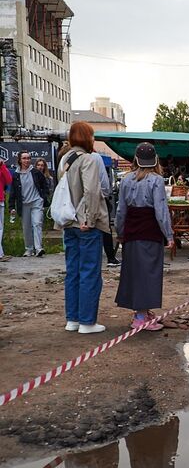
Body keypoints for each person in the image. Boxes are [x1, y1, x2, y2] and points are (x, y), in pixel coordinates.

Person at [114, 142, 174, 331]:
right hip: (150, 231)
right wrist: (169, 235)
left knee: (134, 272)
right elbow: (160, 210)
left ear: (136, 159)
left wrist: (120, 231)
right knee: (148, 273)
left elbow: (120, 210)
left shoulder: (126, 180)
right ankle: (140, 317)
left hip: (131, 230)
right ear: (155, 159)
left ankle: (143, 311)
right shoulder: (156, 180)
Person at [59, 121, 109, 334]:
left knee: (73, 271)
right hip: (85, 224)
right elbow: (91, 192)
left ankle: (73, 319)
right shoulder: (88, 159)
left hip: (68, 221)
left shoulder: (65, 159)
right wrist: (88, 219)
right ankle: (87, 322)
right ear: (87, 137)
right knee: (89, 272)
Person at [10, 151, 50, 257]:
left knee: (37, 223)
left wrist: (43, 197)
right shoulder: (16, 175)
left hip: (36, 201)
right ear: (19, 160)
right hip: (23, 204)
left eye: (28, 158)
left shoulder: (36, 172)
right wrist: (11, 207)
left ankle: (39, 248)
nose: (27, 160)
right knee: (26, 226)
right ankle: (29, 249)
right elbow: (13, 192)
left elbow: (45, 185)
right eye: (24, 158)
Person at [93, 153, 121, 267]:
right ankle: (110, 257)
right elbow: (104, 181)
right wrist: (105, 194)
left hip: (77, 203)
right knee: (105, 228)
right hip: (98, 197)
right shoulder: (95, 157)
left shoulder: (68, 157)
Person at [0, 161, 12, 261]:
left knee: (1, 228)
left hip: (1, 200)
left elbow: (8, 180)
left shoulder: (1, 168)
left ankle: (1, 253)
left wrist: (2, 166)